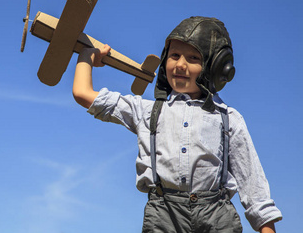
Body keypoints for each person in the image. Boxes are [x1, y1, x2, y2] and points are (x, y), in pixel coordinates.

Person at [72, 16, 282, 233]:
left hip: (217, 219)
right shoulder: (147, 111)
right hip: (164, 216)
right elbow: (83, 93)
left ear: (216, 66)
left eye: (193, 58)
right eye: (174, 55)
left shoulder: (228, 118)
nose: (180, 64)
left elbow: (253, 186)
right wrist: (86, 57)